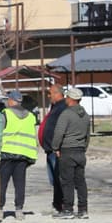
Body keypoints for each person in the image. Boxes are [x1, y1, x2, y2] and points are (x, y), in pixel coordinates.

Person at [0, 90, 38, 220]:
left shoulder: (6, 114)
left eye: (7, 99)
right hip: (23, 155)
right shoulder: (31, 116)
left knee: (2, 183)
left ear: (11, 100)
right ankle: (19, 211)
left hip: (7, 153)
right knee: (20, 183)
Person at [51, 86, 90, 219]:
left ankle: (68, 209)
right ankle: (83, 210)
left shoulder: (66, 114)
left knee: (67, 181)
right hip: (80, 151)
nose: (66, 99)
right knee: (80, 182)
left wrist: (55, 148)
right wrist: (83, 148)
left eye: (67, 97)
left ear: (72, 99)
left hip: (67, 151)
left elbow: (59, 133)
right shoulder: (85, 115)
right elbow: (87, 135)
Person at [39, 83, 68, 213]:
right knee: (54, 179)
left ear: (57, 93)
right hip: (50, 149)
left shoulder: (63, 107)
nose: (49, 96)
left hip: (56, 149)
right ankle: (57, 203)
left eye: (50, 93)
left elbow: (62, 129)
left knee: (59, 178)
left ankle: (61, 204)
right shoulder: (55, 107)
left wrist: (58, 147)